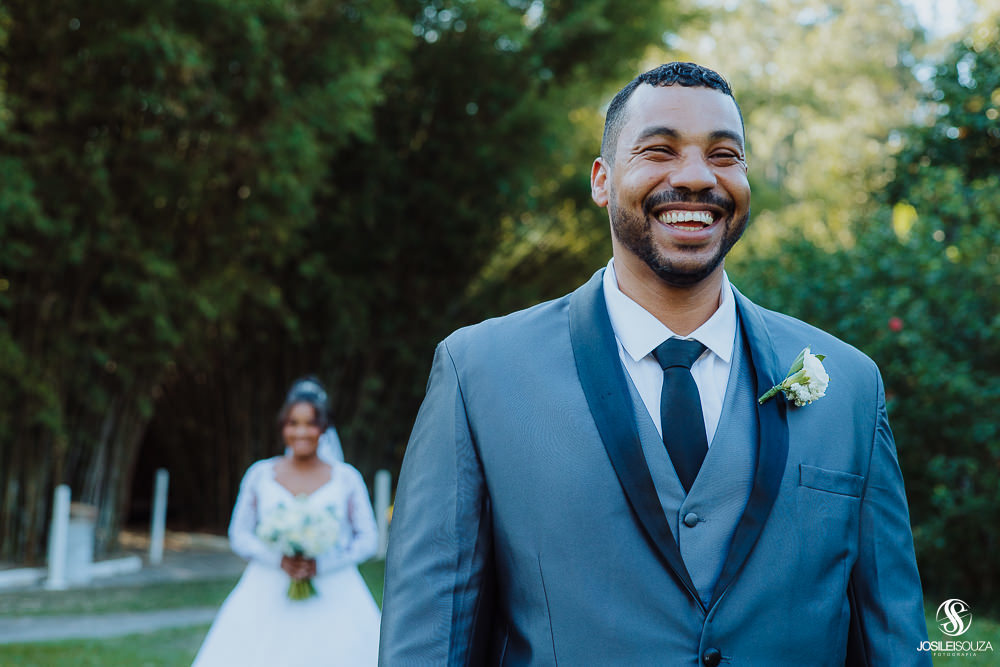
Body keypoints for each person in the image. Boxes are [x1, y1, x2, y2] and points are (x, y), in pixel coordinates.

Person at [379, 62, 929, 665]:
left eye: (724, 155)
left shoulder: (849, 386)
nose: (696, 177)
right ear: (602, 180)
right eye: (659, 150)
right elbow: (429, 641)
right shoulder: (478, 373)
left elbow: (894, 640)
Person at [194, 377, 380, 666]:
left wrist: (323, 564)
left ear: (324, 428)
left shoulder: (346, 478)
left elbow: (368, 539)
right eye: (293, 423)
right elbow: (239, 534)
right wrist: (278, 560)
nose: (301, 432)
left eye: (310, 423)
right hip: (267, 586)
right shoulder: (260, 474)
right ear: (283, 427)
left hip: (335, 588)